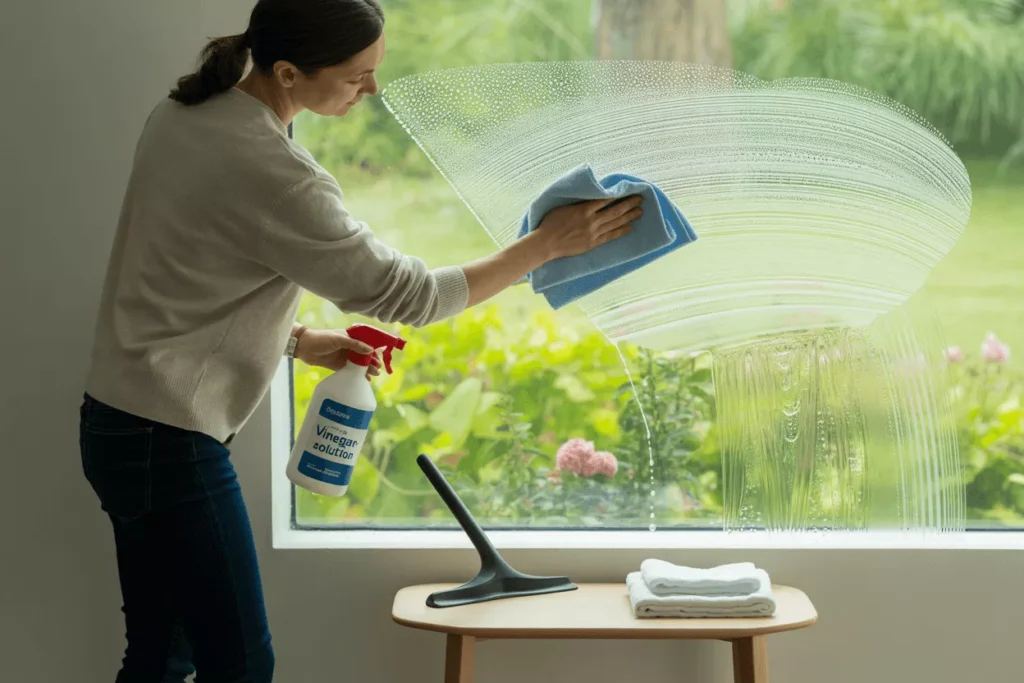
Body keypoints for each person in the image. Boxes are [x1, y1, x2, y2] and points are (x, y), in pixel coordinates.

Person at [79, 0, 641, 680]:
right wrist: (547, 244)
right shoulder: (275, 172)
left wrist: (298, 338)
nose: (371, 88)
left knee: (162, 655)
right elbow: (413, 296)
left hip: (117, 423)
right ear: (289, 72)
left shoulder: (183, 115)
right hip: (166, 443)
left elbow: (181, 269)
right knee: (240, 663)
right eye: (356, 75)